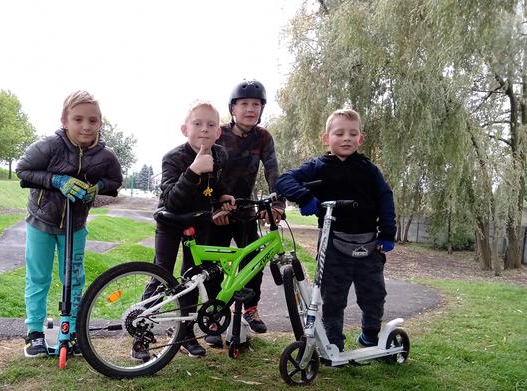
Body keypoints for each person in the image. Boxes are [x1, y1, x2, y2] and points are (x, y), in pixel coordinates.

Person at [275, 108, 396, 352]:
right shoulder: (319, 166)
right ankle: (333, 342)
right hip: (333, 244)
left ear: (360, 139)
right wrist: (305, 196)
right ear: (326, 138)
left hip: (369, 244)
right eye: (339, 133)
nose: (346, 138)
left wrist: (387, 233)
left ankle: (370, 335)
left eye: (353, 134)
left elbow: (385, 198)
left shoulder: (369, 170)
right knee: (333, 298)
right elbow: (284, 180)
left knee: (374, 295)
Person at [16, 90, 123, 357]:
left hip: (75, 226)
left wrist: (97, 187)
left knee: (74, 279)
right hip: (41, 221)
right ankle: (35, 334)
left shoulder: (105, 156)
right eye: (78, 119)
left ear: (100, 122)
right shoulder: (49, 146)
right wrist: (57, 181)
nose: (85, 126)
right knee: (38, 277)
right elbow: (23, 171)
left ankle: (70, 331)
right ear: (65, 121)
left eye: (92, 120)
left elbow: (115, 182)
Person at [135, 100, 230, 360]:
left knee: (193, 278)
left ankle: (185, 334)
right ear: (184, 129)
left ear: (218, 132)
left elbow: (216, 184)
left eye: (211, 125)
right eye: (197, 124)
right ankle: (141, 335)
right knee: (161, 275)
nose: (204, 130)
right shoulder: (173, 158)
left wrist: (223, 196)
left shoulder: (221, 154)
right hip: (170, 222)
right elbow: (172, 200)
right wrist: (193, 170)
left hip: (198, 223)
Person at [204, 79, 285, 347]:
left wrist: (277, 204)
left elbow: (272, 170)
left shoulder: (263, 137)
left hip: (246, 210)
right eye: (244, 104)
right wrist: (216, 204)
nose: (251, 109)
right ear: (233, 108)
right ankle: (215, 316)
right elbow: (206, 171)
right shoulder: (220, 133)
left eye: (256, 104)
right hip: (218, 210)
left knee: (254, 260)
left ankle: (250, 308)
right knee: (213, 267)